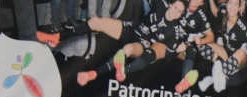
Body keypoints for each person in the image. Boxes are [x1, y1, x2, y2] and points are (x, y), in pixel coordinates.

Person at [36, 0, 187, 86]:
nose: (175, 12)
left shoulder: (174, 30)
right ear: (171, 5)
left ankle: (104, 72)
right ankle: (57, 38)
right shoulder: (160, 4)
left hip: (143, 43)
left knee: (127, 49)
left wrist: (181, 50)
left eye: (179, 11)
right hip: (133, 29)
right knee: (95, 21)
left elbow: (173, 53)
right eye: (175, 8)